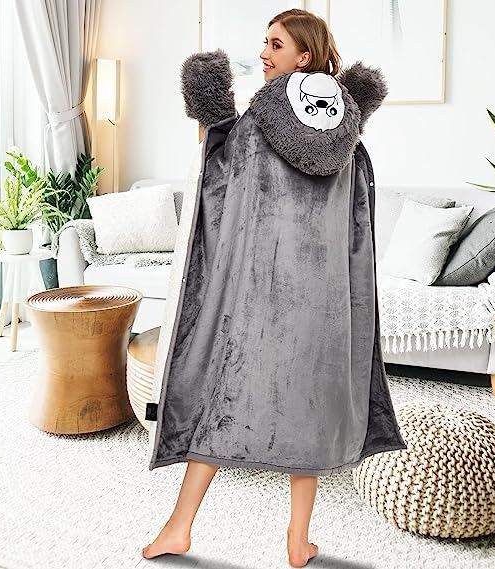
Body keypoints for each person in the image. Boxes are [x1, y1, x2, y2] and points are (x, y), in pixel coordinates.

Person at [142, 8, 405, 568]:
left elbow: (222, 186)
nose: (263, 53)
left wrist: (211, 121)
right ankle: (297, 540)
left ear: (303, 56)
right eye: (265, 42)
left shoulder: (257, 123)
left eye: (275, 44)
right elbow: (356, 223)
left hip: (256, 302)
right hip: (322, 305)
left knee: (219, 403)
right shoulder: (347, 129)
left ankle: (179, 526)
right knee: (308, 413)